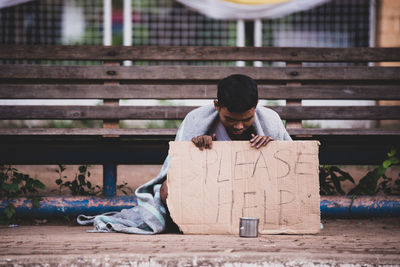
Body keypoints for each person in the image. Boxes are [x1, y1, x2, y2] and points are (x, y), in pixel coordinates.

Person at [77, 74, 291, 234]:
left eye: (246, 119)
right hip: (210, 195)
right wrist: (197, 149)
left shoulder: (270, 121)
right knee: (166, 191)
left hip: (253, 196)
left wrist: (273, 149)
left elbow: (288, 168)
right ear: (217, 106)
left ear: (256, 107)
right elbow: (175, 170)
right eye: (230, 119)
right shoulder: (196, 120)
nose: (239, 126)